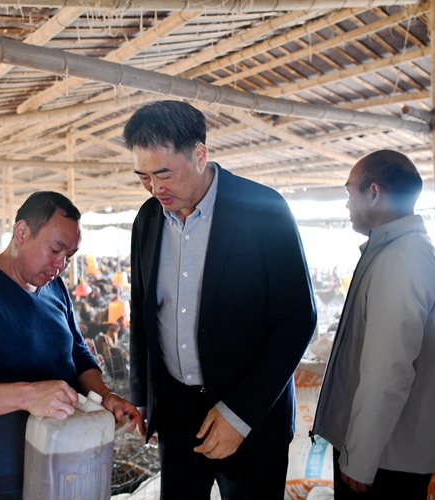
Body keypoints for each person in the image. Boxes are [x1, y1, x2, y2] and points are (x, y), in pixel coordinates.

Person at [126, 100, 316, 499]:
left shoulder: (263, 210)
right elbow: (143, 312)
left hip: (250, 415)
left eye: (164, 174)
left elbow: (297, 319)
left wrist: (239, 415)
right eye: (143, 177)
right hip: (176, 413)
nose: (156, 189)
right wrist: (143, 398)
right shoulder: (147, 220)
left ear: (200, 155)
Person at [0, 191, 144, 500]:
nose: (61, 264)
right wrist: (27, 395)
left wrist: (104, 396)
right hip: (10, 478)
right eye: (55, 249)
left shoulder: (55, 288)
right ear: (22, 232)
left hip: (72, 457)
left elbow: (78, 353)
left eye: (70, 256)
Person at [311, 150, 435, 498]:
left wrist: (360, 458)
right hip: (386, 453)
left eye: (349, 192)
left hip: (387, 459)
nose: (347, 204)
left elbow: (388, 370)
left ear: (373, 192)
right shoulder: (400, 250)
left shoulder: (402, 257)